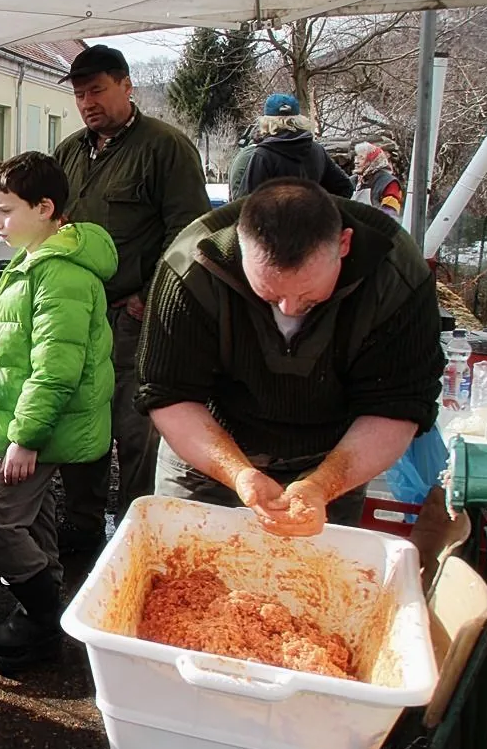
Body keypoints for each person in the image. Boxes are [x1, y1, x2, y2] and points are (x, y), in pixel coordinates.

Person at [137, 178, 442, 534]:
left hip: (336, 459)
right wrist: (239, 473)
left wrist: (321, 485)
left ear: (343, 244)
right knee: (183, 576)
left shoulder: (397, 274)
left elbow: (399, 406)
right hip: (206, 459)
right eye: (269, 296)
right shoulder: (189, 266)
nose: (290, 309)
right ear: (240, 246)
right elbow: (168, 392)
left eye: (309, 297)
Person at [52, 44, 210, 554]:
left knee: (136, 430)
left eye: (97, 90)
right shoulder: (71, 151)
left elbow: (190, 234)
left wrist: (150, 294)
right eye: (80, 94)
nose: (88, 103)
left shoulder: (166, 147)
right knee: (84, 421)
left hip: (133, 317)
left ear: (126, 86)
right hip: (77, 315)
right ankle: (81, 525)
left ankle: (135, 533)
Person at [0, 152, 116, 669]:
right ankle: (43, 626)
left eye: (5, 211)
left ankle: (42, 614)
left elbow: (56, 368)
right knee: (32, 518)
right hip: (36, 423)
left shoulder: (61, 274)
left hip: (42, 425)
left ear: (46, 207)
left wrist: (25, 436)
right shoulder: (40, 259)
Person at [238, 94, 352, 199]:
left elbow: (246, 201)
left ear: (266, 122)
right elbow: (344, 187)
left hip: (274, 220)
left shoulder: (264, 154)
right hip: (312, 219)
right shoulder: (317, 150)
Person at [353, 141, 405, 220]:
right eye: (356, 157)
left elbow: (390, 215)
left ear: (373, 161)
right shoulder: (352, 181)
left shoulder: (389, 183)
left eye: (361, 158)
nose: (356, 162)